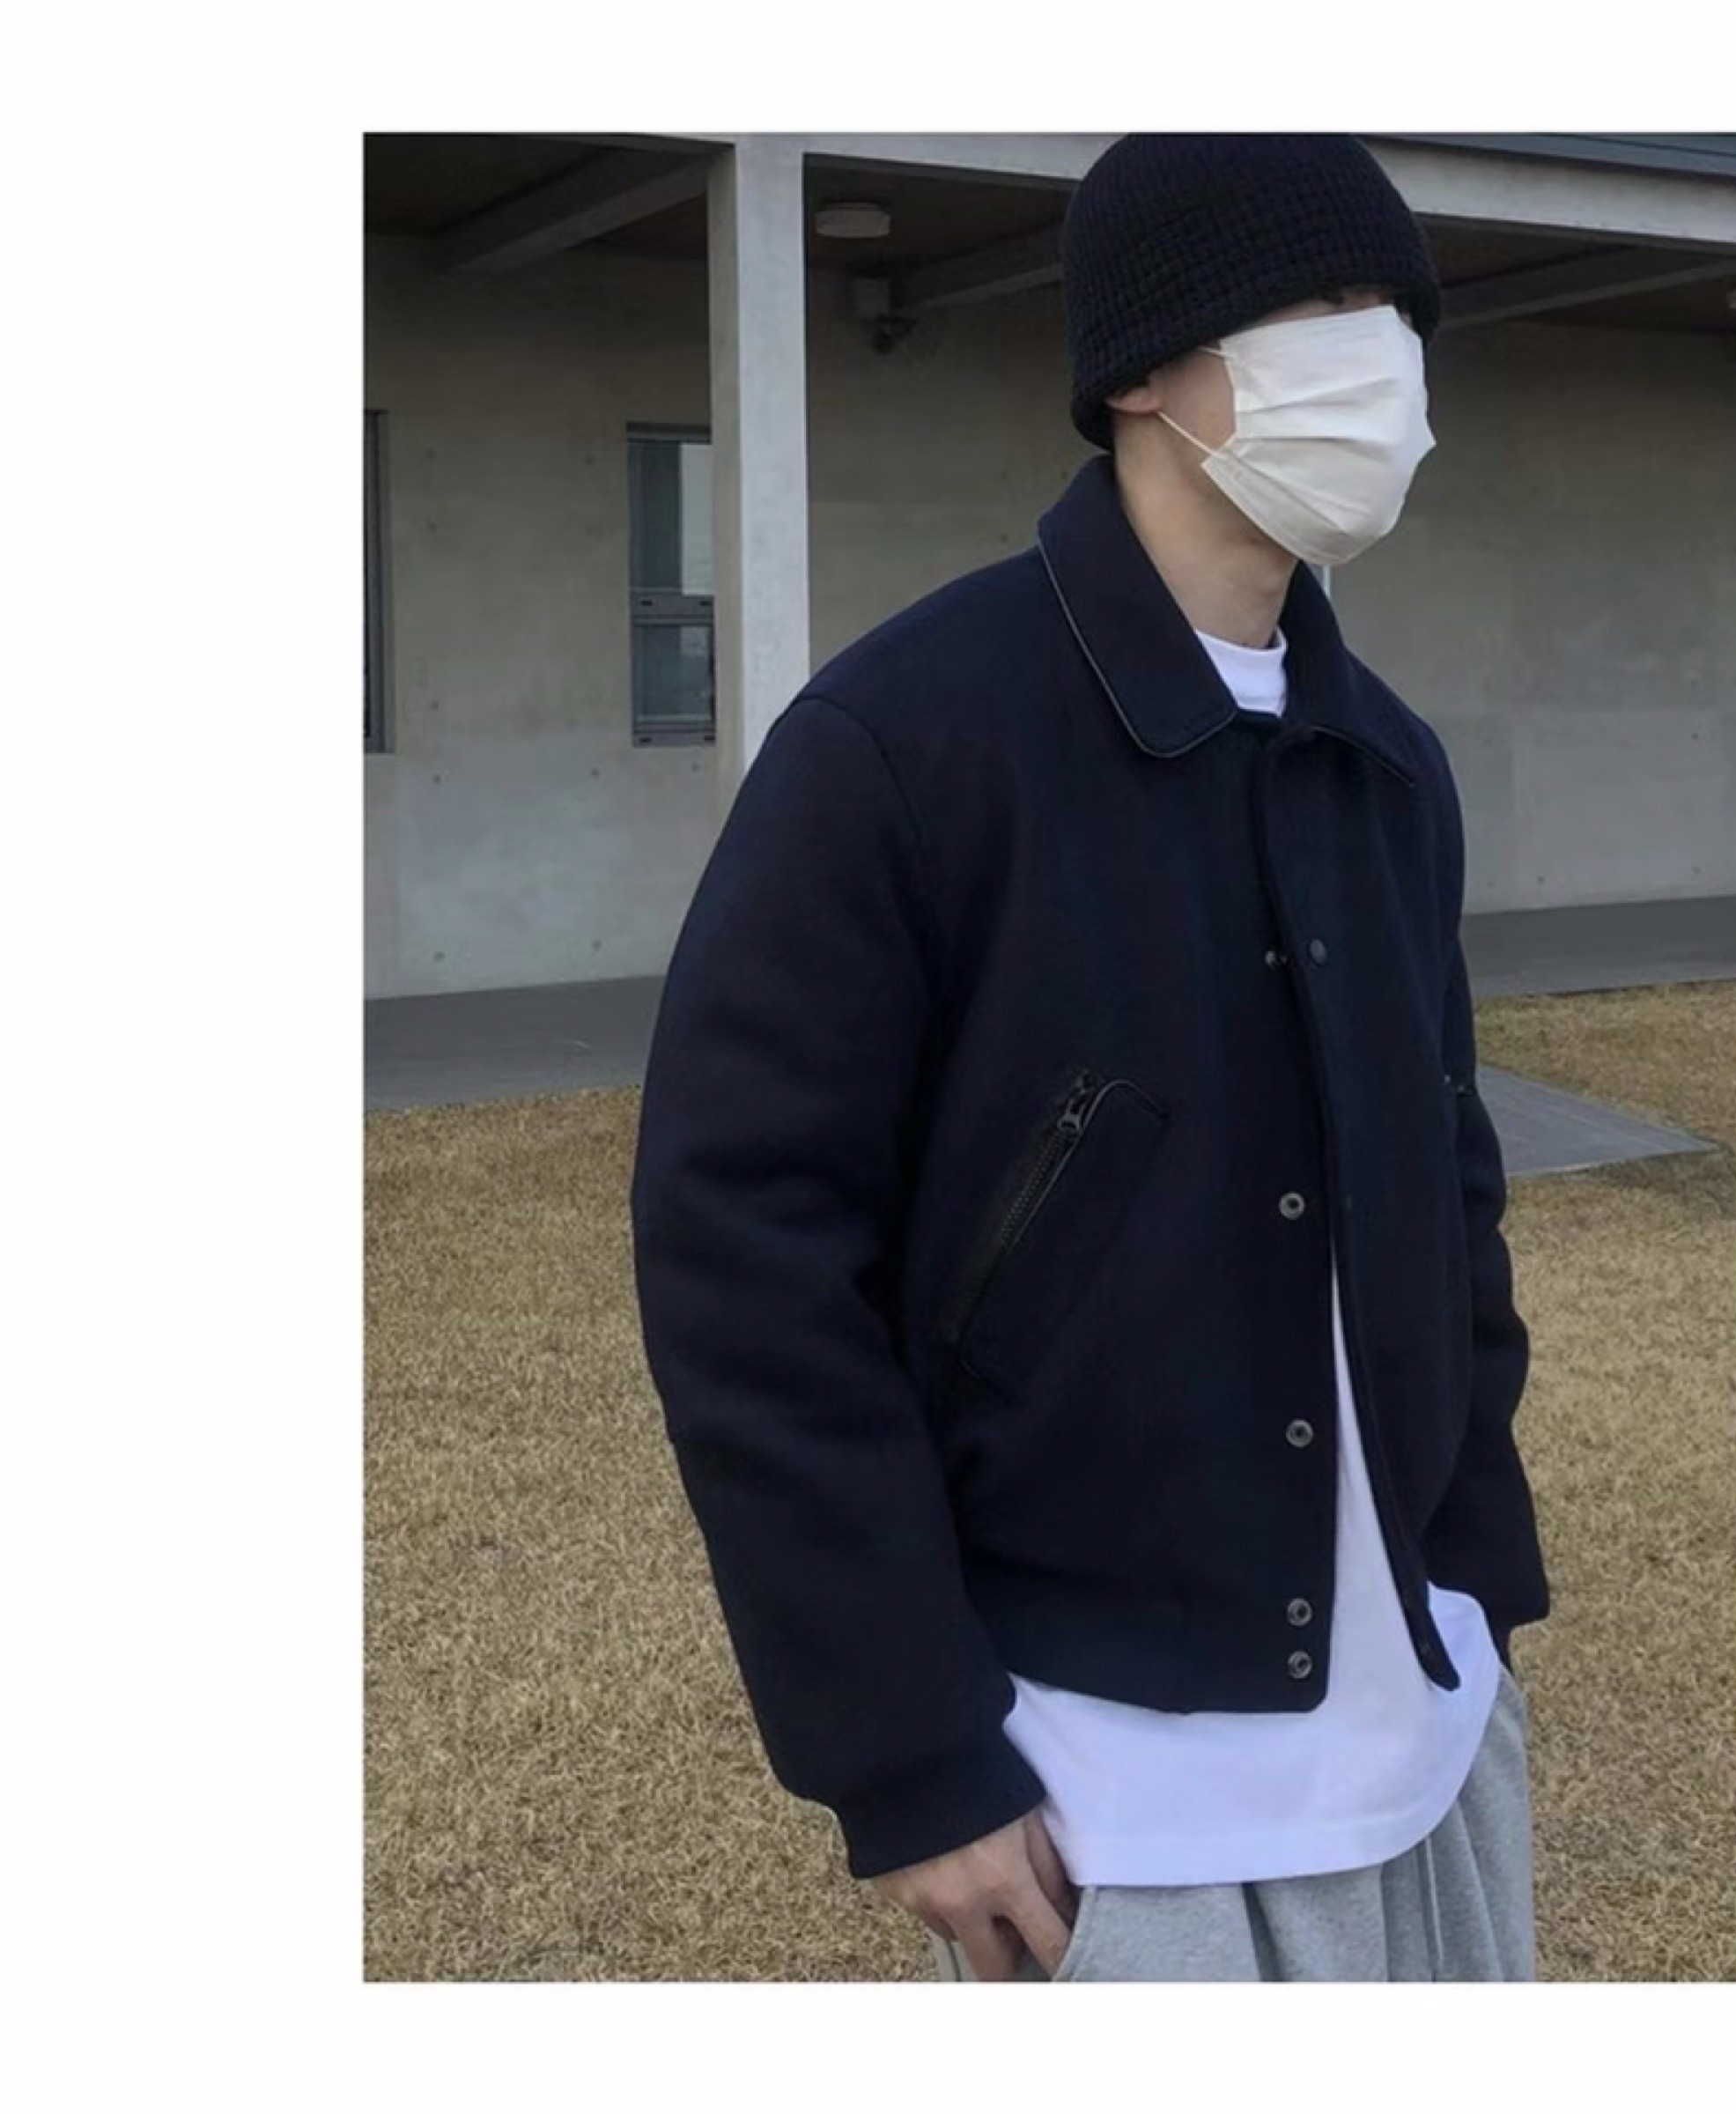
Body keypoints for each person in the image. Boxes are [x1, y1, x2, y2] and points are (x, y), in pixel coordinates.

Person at [629, 132, 1550, 1985]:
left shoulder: (1389, 766)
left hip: (1427, 1732)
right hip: (1110, 1791)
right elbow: (744, 1258)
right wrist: (905, 1750)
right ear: (1144, 368)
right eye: (1328, 303)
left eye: (1399, 311)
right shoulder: (906, 742)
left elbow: (1448, 1189)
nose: (1382, 357)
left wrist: (1476, 1573)